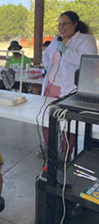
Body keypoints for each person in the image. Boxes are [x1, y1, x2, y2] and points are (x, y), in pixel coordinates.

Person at [39, 11, 98, 158]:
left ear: (75, 24)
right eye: (59, 24)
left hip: (70, 89)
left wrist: (66, 51)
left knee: (68, 124)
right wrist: (47, 68)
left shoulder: (86, 40)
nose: (61, 27)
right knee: (46, 117)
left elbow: (89, 62)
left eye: (65, 23)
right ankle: (48, 147)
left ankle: (65, 153)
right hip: (51, 86)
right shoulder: (56, 39)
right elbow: (46, 56)